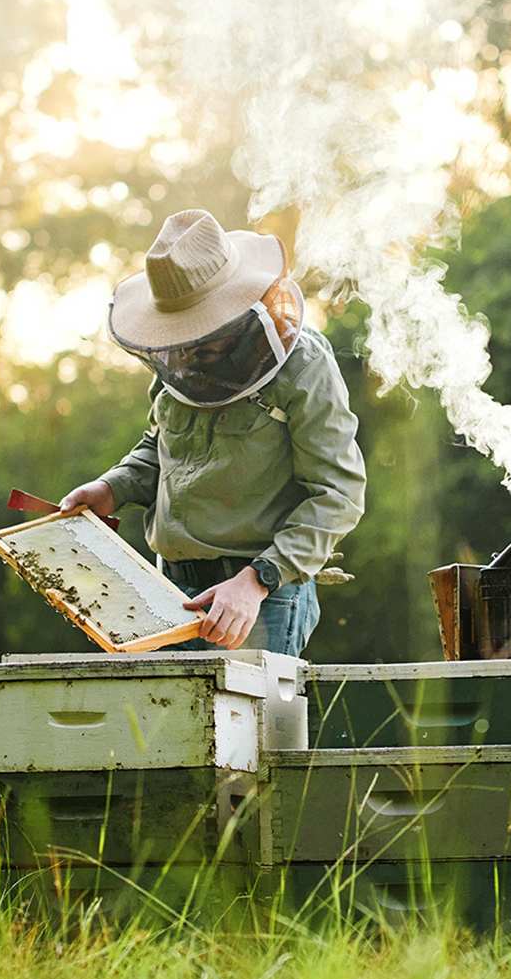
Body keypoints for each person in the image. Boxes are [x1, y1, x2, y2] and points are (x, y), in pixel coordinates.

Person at [60, 208, 366, 656]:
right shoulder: (178, 364)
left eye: (202, 332)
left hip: (260, 593)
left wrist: (258, 580)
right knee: (167, 724)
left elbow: (339, 495)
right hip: (166, 586)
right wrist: (113, 487)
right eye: (181, 334)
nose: (189, 348)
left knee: (248, 725)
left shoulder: (303, 366)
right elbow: (164, 444)